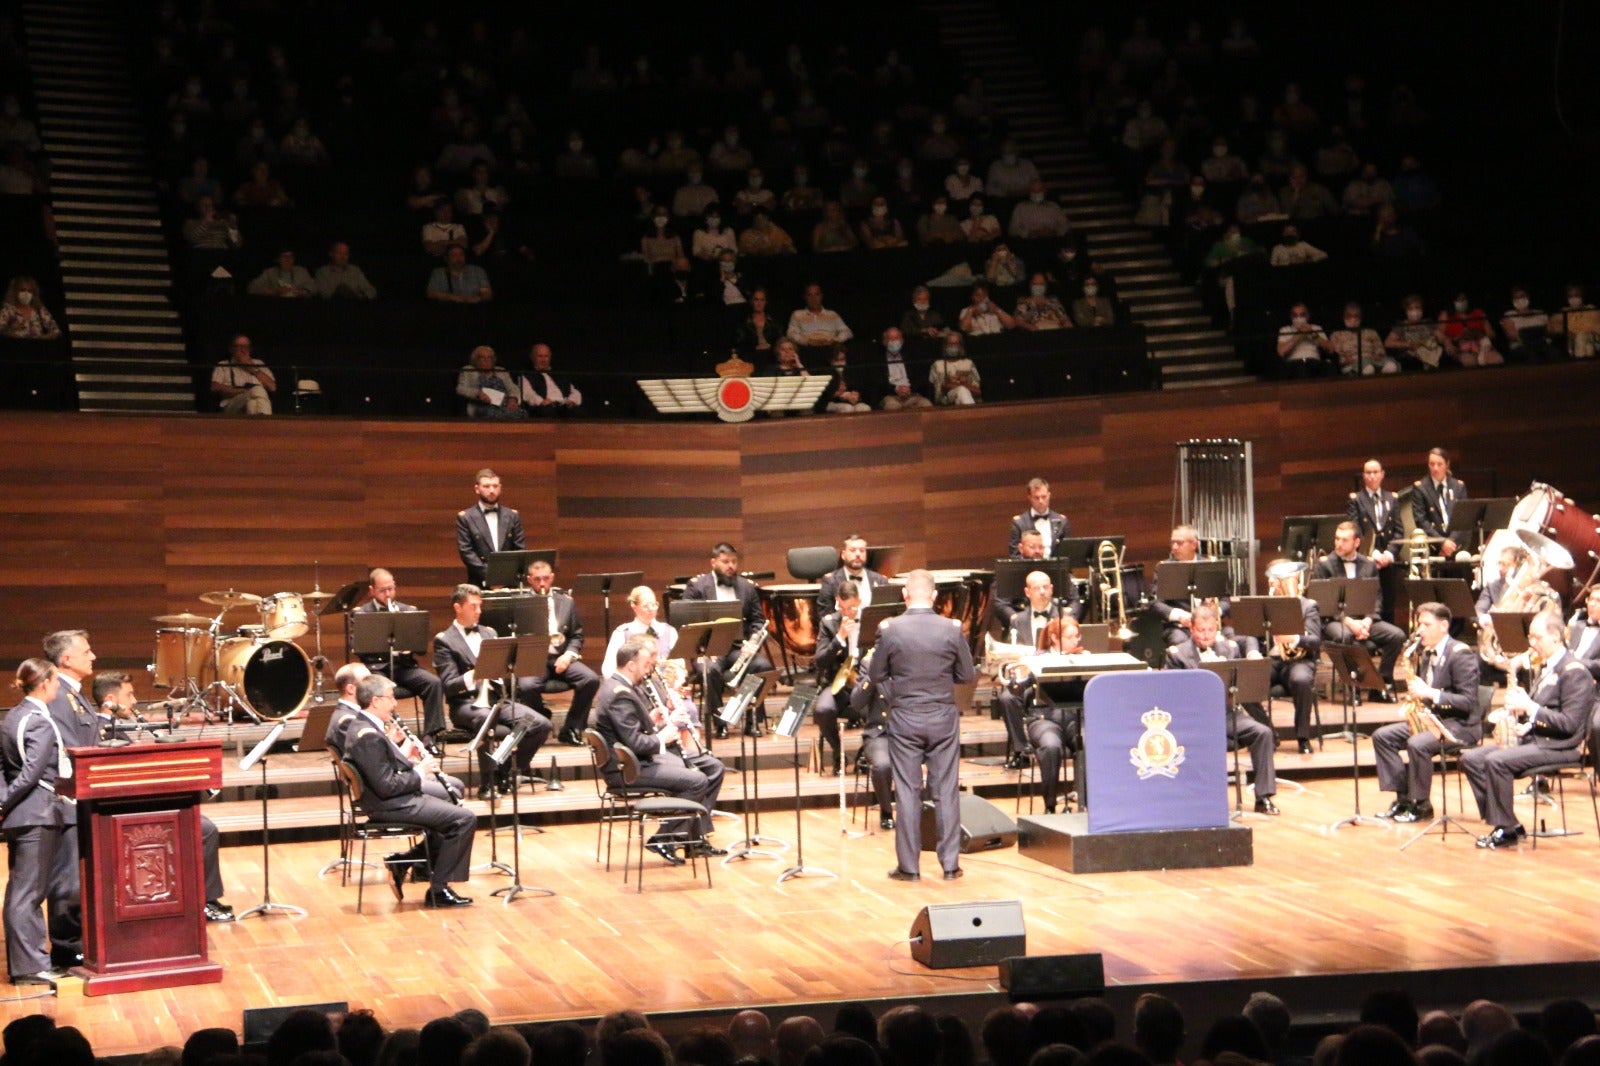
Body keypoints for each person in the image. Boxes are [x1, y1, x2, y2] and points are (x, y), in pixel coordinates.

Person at [91, 672, 234, 921]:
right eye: (129, 695)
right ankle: (205, 902)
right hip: (127, 810)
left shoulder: (114, 727)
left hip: (137, 802)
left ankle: (193, 899)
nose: (134, 701)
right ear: (111, 700)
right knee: (205, 830)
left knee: (203, 826)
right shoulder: (102, 730)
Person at [870, 569, 975, 881]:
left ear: (905, 595)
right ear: (935, 596)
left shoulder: (890, 629)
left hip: (905, 716)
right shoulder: (951, 628)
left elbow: (876, 674)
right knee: (946, 791)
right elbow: (967, 675)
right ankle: (950, 865)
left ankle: (909, 867)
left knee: (907, 791)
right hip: (943, 716)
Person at [1463, 612, 1596, 848]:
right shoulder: (1547, 667)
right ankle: (1509, 822)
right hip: (1537, 739)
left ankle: (1505, 829)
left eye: (1537, 638)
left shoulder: (1574, 671)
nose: (1532, 643)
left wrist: (1531, 708)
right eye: (1530, 637)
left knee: (1496, 761)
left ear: (1556, 637)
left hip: (1561, 746)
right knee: (1471, 759)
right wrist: (1525, 725)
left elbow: (1569, 724)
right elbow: (1546, 712)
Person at [592, 635, 725, 864]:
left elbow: (633, 731)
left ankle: (694, 840)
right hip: (628, 768)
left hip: (638, 759)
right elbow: (635, 743)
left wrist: (655, 722)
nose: (649, 669)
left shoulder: (623, 687)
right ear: (631, 665)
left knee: (713, 768)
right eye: (645, 664)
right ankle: (665, 838)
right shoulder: (619, 694)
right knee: (696, 779)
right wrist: (663, 737)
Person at [344, 675, 475, 907]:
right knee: (464, 819)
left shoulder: (365, 727)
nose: (395, 703)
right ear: (375, 701)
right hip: (390, 804)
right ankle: (438, 890)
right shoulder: (368, 736)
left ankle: (407, 862)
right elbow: (386, 785)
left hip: (392, 799)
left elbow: (383, 768)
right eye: (390, 698)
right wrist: (420, 772)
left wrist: (406, 756)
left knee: (450, 804)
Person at [430, 584, 551, 799]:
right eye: (473, 606)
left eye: (480, 606)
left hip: (497, 700)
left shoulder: (489, 632)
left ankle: (505, 770)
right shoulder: (444, 640)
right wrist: (475, 674)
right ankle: (487, 783)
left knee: (540, 724)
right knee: (486, 719)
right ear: (458, 607)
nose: (479, 611)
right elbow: (449, 684)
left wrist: (507, 668)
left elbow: (503, 672)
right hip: (466, 704)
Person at [1371, 602, 1482, 824]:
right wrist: (1416, 699)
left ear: (1444, 626)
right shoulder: (1424, 653)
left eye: (1426, 625)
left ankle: (1421, 804)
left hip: (1460, 725)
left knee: (1418, 744)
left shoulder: (1461, 654)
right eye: (1419, 624)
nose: (1420, 630)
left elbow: (1468, 702)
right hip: (1432, 721)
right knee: (1382, 737)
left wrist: (1431, 693)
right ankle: (1403, 799)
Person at [1165, 605, 1281, 814]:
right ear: (1191, 629)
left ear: (1216, 628)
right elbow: (1173, 696)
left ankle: (1263, 798)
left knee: (1263, 733)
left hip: (1226, 714)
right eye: (1201, 630)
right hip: (1195, 719)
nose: (1206, 635)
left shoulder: (1229, 648)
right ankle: (1200, 801)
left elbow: (1241, 687)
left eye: (1210, 630)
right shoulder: (1177, 654)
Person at [2, 659, 77, 983]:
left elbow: (4, 769)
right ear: (44, 683)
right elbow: (32, 774)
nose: (58, 686)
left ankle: (29, 963)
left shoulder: (11, 717)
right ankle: (31, 966)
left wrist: (3, 802)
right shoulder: (39, 722)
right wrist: (4, 802)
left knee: (22, 892)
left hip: (21, 815)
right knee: (28, 894)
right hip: (38, 813)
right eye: (56, 681)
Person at [998, 612, 1088, 812]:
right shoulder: (1036, 659)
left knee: (1090, 742)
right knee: (1050, 746)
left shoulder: (1083, 658)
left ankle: (1088, 803)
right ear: (1055, 638)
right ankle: (1050, 805)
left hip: (1075, 717)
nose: (1076, 641)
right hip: (1043, 719)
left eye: (1077, 636)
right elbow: (1015, 693)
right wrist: (1019, 678)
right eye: (1070, 637)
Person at [1313, 521, 1407, 705]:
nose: (1339, 544)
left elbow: (1377, 598)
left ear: (1356, 542)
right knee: (1345, 636)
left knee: (1397, 636)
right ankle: (1353, 687)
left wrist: (1368, 621)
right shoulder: (1324, 565)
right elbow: (1323, 604)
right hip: (1335, 620)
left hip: (1364, 620)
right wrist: (1349, 622)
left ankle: (1380, 685)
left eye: (1344, 540)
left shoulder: (1368, 565)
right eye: (1337, 539)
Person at [681, 543, 774, 723]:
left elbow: (757, 621)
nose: (731, 566)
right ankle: (720, 722)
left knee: (761, 666)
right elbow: (687, 622)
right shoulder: (697, 586)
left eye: (734, 561)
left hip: (738, 648)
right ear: (713, 562)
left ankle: (753, 720)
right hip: (707, 650)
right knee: (710, 671)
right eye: (725, 562)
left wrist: (752, 643)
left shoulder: (747, 587)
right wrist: (701, 650)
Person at [354, 569, 447, 745]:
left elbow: (421, 650)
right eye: (383, 590)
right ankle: (392, 737)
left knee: (433, 683)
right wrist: (385, 645)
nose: (388, 594)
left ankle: (431, 737)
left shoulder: (408, 611)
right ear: (372, 590)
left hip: (404, 667)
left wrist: (410, 645)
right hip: (377, 670)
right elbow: (359, 650)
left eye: (391, 589)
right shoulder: (362, 614)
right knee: (380, 689)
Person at [521, 558, 602, 741]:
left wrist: (568, 655)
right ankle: (541, 719)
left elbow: (577, 635)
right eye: (537, 579)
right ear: (529, 580)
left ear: (552, 577)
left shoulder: (566, 602)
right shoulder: (522, 603)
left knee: (590, 680)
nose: (542, 583)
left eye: (545, 578)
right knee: (526, 686)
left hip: (561, 656)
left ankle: (571, 728)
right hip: (535, 659)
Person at [1260, 565, 1324, 754]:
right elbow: (1252, 637)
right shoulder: (1264, 605)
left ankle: (1303, 737)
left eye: (1276, 578)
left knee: (1302, 680)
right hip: (1273, 660)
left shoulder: (1308, 606)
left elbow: (1315, 641)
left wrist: (1293, 639)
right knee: (1244, 681)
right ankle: (1269, 732)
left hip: (1300, 661)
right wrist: (1253, 652)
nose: (1271, 582)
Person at [812, 581, 865, 775]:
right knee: (822, 710)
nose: (847, 613)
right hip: (837, 684)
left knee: (883, 709)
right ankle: (838, 751)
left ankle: (865, 754)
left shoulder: (870, 621)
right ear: (837, 602)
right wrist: (840, 637)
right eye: (842, 608)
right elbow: (820, 661)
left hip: (864, 683)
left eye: (851, 608)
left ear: (859, 601)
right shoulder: (828, 623)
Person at [455, 467, 525, 587]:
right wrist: (491, 576)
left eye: (495, 486)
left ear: (500, 488)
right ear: (477, 489)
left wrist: (505, 577)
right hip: (479, 584)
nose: (492, 490)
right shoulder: (466, 518)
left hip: (509, 582)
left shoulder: (512, 516)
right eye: (486, 486)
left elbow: (519, 549)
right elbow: (466, 552)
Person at [600, 586, 679, 681]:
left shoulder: (670, 631)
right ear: (634, 606)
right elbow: (608, 669)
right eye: (645, 606)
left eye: (654, 604)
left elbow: (679, 667)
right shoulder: (622, 633)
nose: (651, 609)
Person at [1411, 447, 1468, 560]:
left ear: (1447, 464)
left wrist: (1451, 543)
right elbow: (1421, 521)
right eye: (1432, 464)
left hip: (1456, 547)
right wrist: (1442, 543)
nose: (1435, 468)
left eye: (1439, 464)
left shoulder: (1458, 486)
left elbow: (1463, 517)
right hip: (1434, 548)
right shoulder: (1421, 488)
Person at [1346, 459, 1402, 569]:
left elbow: (1399, 531)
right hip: (1366, 560)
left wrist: (1389, 554)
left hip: (1390, 560)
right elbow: (1355, 531)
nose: (1372, 476)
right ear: (1363, 476)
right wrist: (1374, 554)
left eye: (1375, 472)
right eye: (1368, 473)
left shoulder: (1392, 498)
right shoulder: (1356, 500)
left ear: (1382, 474)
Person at [817, 535, 891, 616]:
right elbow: (825, 616)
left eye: (862, 550)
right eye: (852, 550)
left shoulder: (880, 580)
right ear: (843, 555)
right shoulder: (831, 581)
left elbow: (887, 613)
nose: (858, 554)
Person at [210, 334, 275, 416]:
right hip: (232, 404)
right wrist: (244, 391)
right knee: (258, 390)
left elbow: (272, 387)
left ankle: (258, 422)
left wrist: (253, 369)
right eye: (239, 347)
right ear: (231, 349)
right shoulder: (224, 365)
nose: (243, 350)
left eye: (246, 347)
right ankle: (266, 421)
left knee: (252, 404)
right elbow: (215, 387)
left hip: (255, 401)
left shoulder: (259, 363)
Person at [1008, 477, 1072, 559]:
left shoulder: (1062, 521)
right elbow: (1015, 555)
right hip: (1029, 566)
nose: (1041, 501)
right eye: (1036, 498)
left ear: (1049, 495)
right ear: (1030, 498)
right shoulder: (1019, 523)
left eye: (1044, 497)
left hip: (1056, 566)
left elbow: (1068, 553)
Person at [456, 346, 524, 421]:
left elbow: (513, 387)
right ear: (475, 360)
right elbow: (461, 389)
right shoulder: (468, 371)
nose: (486, 360)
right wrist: (478, 393)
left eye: (489, 358)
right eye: (482, 358)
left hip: (503, 405)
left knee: (522, 414)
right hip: (481, 407)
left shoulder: (501, 371)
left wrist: (513, 398)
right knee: (493, 414)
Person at [1328, 303, 1396, 376]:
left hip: (1373, 360)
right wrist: (1344, 361)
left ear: (1360, 318)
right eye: (1349, 316)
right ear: (1343, 317)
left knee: (1391, 366)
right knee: (1368, 369)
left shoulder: (1370, 332)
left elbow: (1380, 348)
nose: (1353, 319)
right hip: (1352, 364)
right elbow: (1337, 355)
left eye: (1356, 316)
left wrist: (1378, 355)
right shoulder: (1336, 335)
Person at [786, 283, 853, 353]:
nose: (813, 298)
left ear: (821, 296)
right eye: (809, 295)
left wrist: (834, 340)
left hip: (830, 349)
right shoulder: (797, 314)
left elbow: (847, 332)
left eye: (817, 294)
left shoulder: (832, 315)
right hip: (807, 350)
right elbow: (791, 334)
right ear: (805, 297)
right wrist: (807, 342)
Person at [518, 343, 583, 414]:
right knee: (548, 411)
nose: (543, 360)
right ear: (532, 357)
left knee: (579, 411)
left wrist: (571, 401)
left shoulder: (559, 374)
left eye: (546, 356)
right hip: (545, 406)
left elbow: (574, 391)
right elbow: (528, 393)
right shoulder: (526, 375)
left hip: (564, 405)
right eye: (540, 356)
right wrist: (541, 401)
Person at [878, 327, 931, 410]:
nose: (894, 341)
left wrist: (909, 389)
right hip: (890, 396)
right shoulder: (879, 360)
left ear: (902, 341)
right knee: (893, 406)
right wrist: (896, 389)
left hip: (911, 394)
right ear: (884, 342)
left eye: (896, 338)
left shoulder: (911, 357)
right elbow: (877, 383)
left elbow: (920, 378)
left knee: (926, 404)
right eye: (890, 338)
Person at [1276, 303, 1332, 376]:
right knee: (1300, 369)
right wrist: (1298, 334)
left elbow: (1330, 349)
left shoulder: (1316, 328)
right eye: (1295, 315)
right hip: (1293, 364)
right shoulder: (1285, 330)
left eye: (1302, 315)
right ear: (1291, 317)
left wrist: (1312, 333)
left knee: (1327, 367)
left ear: (1307, 316)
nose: (1298, 318)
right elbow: (1281, 351)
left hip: (1314, 362)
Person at [427, 246, 492, 304]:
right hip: (447, 310)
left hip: (473, 309)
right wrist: (454, 297)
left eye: (461, 255)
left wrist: (478, 299)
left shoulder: (477, 271)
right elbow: (430, 293)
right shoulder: (438, 273)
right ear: (446, 259)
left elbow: (487, 293)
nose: (459, 258)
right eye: (454, 255)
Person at [930, 332, 981, 405]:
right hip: (946, 401)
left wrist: (963, 383)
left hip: (968, 397)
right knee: (961, 390)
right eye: (950, 344)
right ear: (945, 346)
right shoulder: (938, 365)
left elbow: (977, 391)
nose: (953, 346)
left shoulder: (969, 363)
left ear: (961, 346)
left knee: (963, 391)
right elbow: (938, 391)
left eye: (956, 344)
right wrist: (953, 383)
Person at [733, 288, 783, 358]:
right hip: (751, 356)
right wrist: (754, 347)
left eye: (762, 300)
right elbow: (740, 343)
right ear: (751, 301)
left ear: (766, 302)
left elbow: (780, 340)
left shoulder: (773, 321)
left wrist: (770, 346)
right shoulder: (744, 322)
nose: (759, 303)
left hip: (772, 356)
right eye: (756, 299)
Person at [246, 248, 314, 298]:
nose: (288, 259)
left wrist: (304, 291)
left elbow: (313, 287)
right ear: (278, 259)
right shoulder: (269, 272)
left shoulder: (301, 271)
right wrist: (274, 292)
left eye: (291, 256)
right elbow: (251, 288)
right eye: (284, 256)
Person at [1566, 586, 1600, 681]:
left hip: (1592, 682)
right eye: (1591, 599)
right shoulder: (1575, 626)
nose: (1592, 604)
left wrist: (1577, 662)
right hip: (1566, 678)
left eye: (1598, 601)